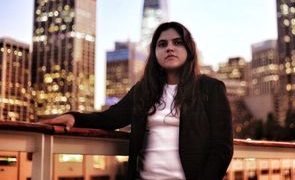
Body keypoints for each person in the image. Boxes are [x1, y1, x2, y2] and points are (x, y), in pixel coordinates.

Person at [40, 21, 233, 180]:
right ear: (155, 52)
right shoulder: (143, 90)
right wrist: (74, 118)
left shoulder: (210, 89)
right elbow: (110, 119)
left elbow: (222, 148)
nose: (170, 48)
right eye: (162, 44)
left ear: (189, 50)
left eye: (177, 42)